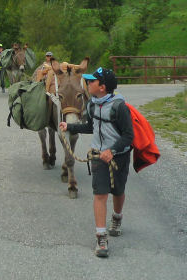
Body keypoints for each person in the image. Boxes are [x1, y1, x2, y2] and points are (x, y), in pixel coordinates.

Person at [59, 67, 133, 258]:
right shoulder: (91, 104)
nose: (88, 83)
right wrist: (70, 126)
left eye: (92, 81)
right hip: (98, 156)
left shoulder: (119, 107)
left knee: (118, 191)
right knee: (100, 194)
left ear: (102, 87)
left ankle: (117, 217)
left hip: (119, 156)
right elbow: (90, 127)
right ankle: (101, 237)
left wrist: (113, 150)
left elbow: (128, 136)